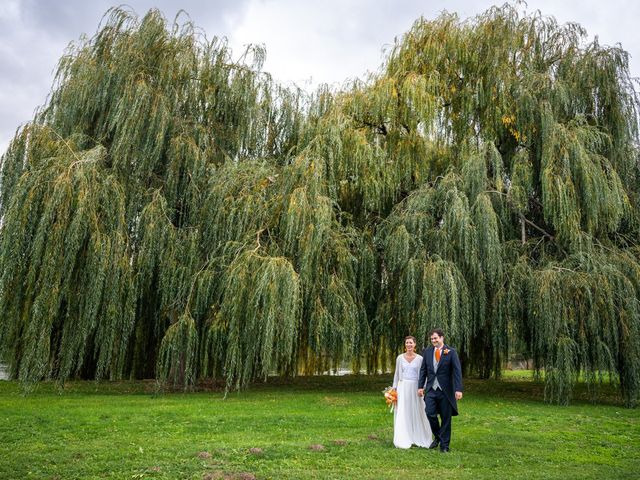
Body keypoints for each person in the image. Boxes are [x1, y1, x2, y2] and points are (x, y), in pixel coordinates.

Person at [418, 328, 463, 453]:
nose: (433, 341)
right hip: (431, 389)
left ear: (442, 338)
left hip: (446, 391)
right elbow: (423, 371)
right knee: (430, 413)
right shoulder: (427, 352)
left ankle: (444, 446)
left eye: (435, 338)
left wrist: (458, 389)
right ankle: (438, 437)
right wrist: (420, 387)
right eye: (432, 339)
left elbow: (457, 372)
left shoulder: (451, 352)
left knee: (445, 418)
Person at [391, 336, 433, 448]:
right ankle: (404, 436)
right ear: (405, 345)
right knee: (403, 411)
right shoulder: (400, 358)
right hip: (403, 387)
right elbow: (397, 374)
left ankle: (419, 435)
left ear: (415, 345)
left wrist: (423, 388)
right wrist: (394, 388)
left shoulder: (419, 359)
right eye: (407, 343)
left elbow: (423, 374)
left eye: (411, 343)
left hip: (415, 387)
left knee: (418, 410)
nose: (409, 345)